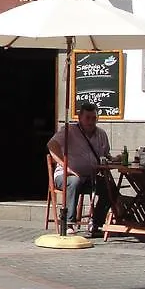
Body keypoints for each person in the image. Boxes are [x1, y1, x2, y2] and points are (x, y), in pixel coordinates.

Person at [47, 102, 111, 237]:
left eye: (94, 118)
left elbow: (105, 155)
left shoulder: (101, 134)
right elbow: (51, 145)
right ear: (80, 118)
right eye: (87, 118)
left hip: (89, 177)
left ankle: (96, 223)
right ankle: (69, 222)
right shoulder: (69, 130)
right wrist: (66, 166)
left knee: (109, 188)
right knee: (74, 182)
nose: (91, 122)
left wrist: (113, 159)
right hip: (65, 175)